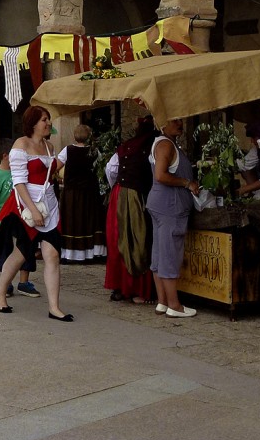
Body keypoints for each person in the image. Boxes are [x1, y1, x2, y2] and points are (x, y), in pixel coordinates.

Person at [0, 106, 73, 320]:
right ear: (33, 123)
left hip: (49, 205)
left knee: (52, 254)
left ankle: (54, 307)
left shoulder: (50, 146)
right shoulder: (21, 144)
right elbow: (19, 182)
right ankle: (0, 292)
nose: (48, 123)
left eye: (49, 119)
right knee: (21, 254)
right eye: (44, 119)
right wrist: (33, 210)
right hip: (26, 206)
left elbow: (49, 175)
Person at [147, 116, 200, 318]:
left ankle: (162, 301)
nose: (180, 124)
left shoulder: (161, 143)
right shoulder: (166, 146)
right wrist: (187, 183)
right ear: (162, 124)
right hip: (170, 206)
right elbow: (161, 175)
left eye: (180, 120)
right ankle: (174, 305)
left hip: (160, 203)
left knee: (160, 252)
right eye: (174, 120)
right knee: (169, 253)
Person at [104, 116, 157, 304]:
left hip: (119, 194)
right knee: (137, 240)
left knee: (118, 241)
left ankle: (120, 288)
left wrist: (116, 187)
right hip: (136, 196)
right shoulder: (155, 145)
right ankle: (137, 291)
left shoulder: (126, 146)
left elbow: (110, 169)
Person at [0, 138, 39, 298]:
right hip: (3, 219)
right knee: (5, 250)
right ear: (5, 156)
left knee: (26, 246)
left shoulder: (19, 172)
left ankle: (24, 282)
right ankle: (6, 283)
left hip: (21, 217)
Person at [57, 124, 107, 263]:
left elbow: (55, 167)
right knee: (89, 220)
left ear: (75, 135)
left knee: (73, 220)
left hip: (72, 193)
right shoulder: (95, 151)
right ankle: (91, 252)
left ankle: (72, 253)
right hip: (90, 192)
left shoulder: (67, 150)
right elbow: (102, 170)